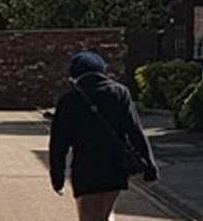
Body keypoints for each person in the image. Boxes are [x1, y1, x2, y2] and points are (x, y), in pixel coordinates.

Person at [49, 51, 159, 221]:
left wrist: (58, 177)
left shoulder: (69, 99)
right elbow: (135, 131)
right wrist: (150, 167)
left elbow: (58, 144)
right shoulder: (120, 93)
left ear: (74, 74)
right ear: (102, 71)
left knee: (88, 215)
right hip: (115, 165)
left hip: (85, 167)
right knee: (106, 214)